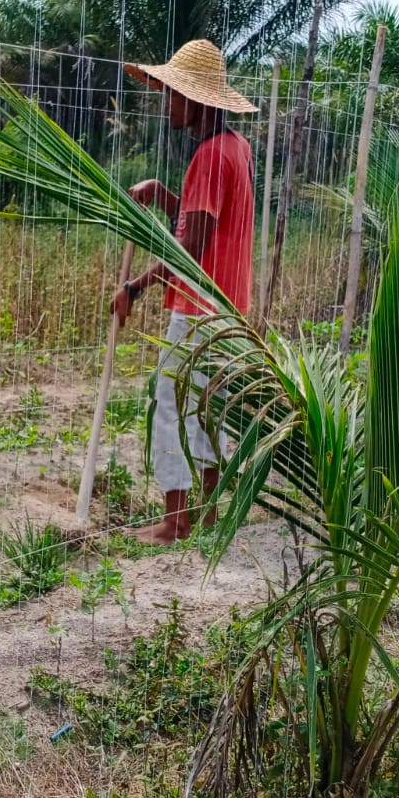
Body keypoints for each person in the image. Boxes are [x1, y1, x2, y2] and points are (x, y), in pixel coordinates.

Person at [109, 39, 257, 543]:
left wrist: (135, 286)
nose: (165, 101)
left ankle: (175, 522)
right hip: (229, 307)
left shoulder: (209, 155)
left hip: (197, 308)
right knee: (209, 408)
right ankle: (211, 513)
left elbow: (188, 247)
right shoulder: (236, 149)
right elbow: (206, 223)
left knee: (171, 403)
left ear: (195, 100)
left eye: (171, 93)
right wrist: (163, 195)